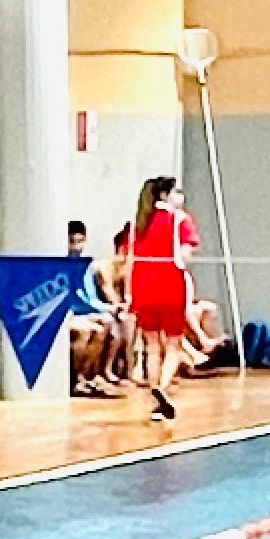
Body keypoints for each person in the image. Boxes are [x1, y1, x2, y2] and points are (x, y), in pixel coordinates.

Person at [125, 175, 197, 420]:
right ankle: (163, 389)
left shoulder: (139, 222)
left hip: (143, 288)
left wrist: (128, 294)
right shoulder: (180, 220)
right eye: (176, 191)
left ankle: (155, 390)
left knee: (151, 346)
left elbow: (129, 261)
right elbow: (184, 257)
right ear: (166, 195)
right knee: (174, 344)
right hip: (170, 285)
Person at [64, 218, 128, 394]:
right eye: (72, 241)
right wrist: (106, 308)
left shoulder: (87, 266)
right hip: (71, 313)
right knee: (87, 331)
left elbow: (90, 295)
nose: (76, 247)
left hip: (87, 311)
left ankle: (91, 374)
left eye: (80, 241)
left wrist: (109, 309)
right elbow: (78, 299)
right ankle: (76, 378)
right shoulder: (64, 266)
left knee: (106, 325)